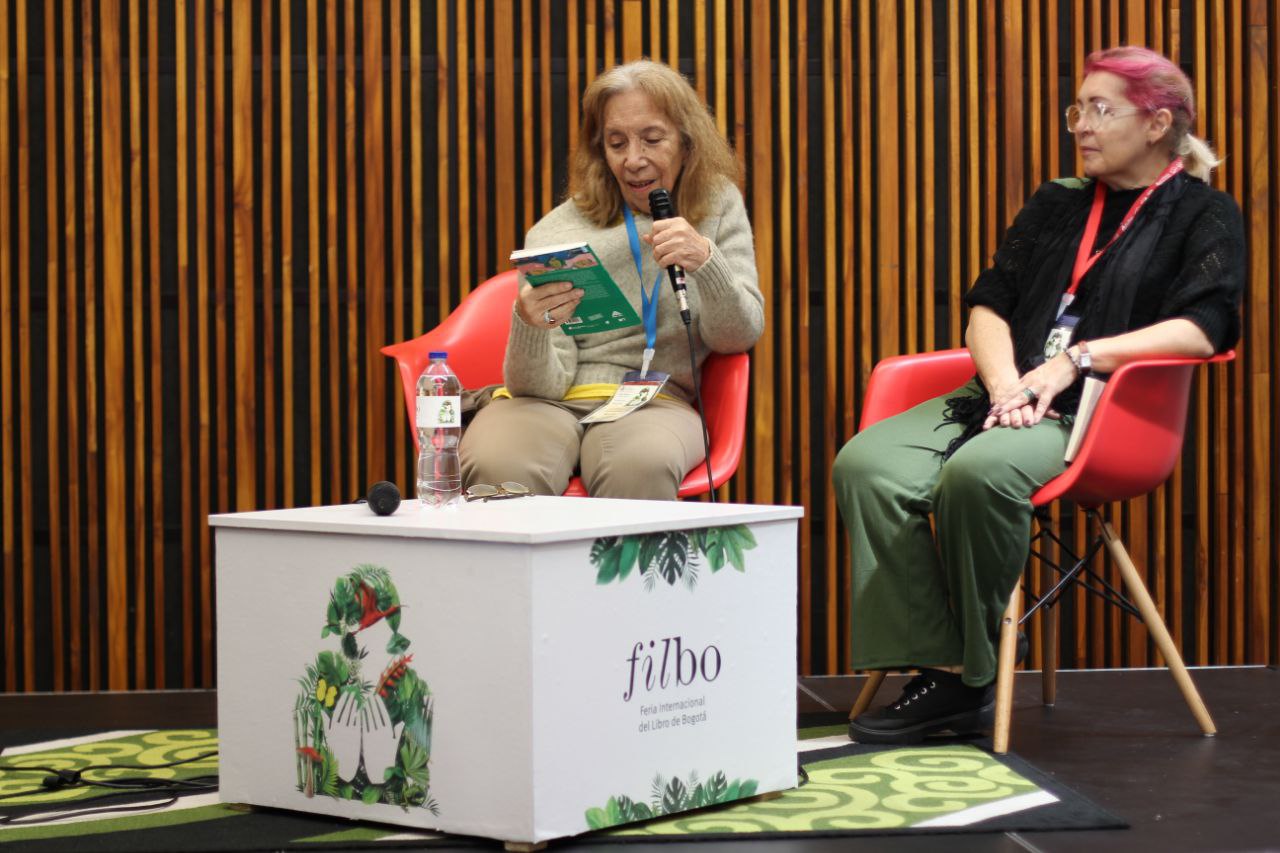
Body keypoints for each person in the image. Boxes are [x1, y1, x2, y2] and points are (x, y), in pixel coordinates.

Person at [833, 46, 1244, 744]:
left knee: (978, 473)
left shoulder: (1204, 213)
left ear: (1158, 124)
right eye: (1077, 108)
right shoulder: (1058, 202)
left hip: (1100, 411)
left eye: (1100, 109)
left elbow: (1203, 329)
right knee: (866, 466)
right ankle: (947, 664)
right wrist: (1003, 387)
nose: (1081, 125)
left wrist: (1076, 361)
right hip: (1004, 392)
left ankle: (970, 676)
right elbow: (989, 303)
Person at [460, 60, 763, 500]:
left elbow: (739, 335)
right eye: (616, 143)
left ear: (687, 142)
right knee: (498, 462)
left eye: (652, 140)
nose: (633, 160)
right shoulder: (556, 231)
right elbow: (539, 387)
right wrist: (529, 326)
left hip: (656, 400)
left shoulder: (716, 205)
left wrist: (705, 262)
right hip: (548, 402)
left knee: (638, 465)